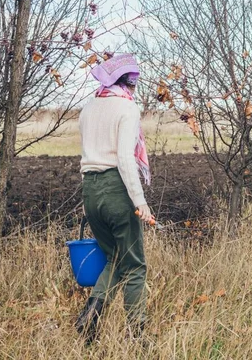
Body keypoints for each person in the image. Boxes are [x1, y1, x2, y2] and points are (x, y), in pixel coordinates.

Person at [75, 53, 153, 343]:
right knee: (134, 266)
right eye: (135, 83)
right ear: (129, 83)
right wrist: (140, 202)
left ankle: (90, 316)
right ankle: (138, 336)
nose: (135, 89)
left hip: (91, 189)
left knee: (114, 258)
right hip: (117, 188)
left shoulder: (89, 107)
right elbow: (124, 158)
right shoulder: (127, 109)